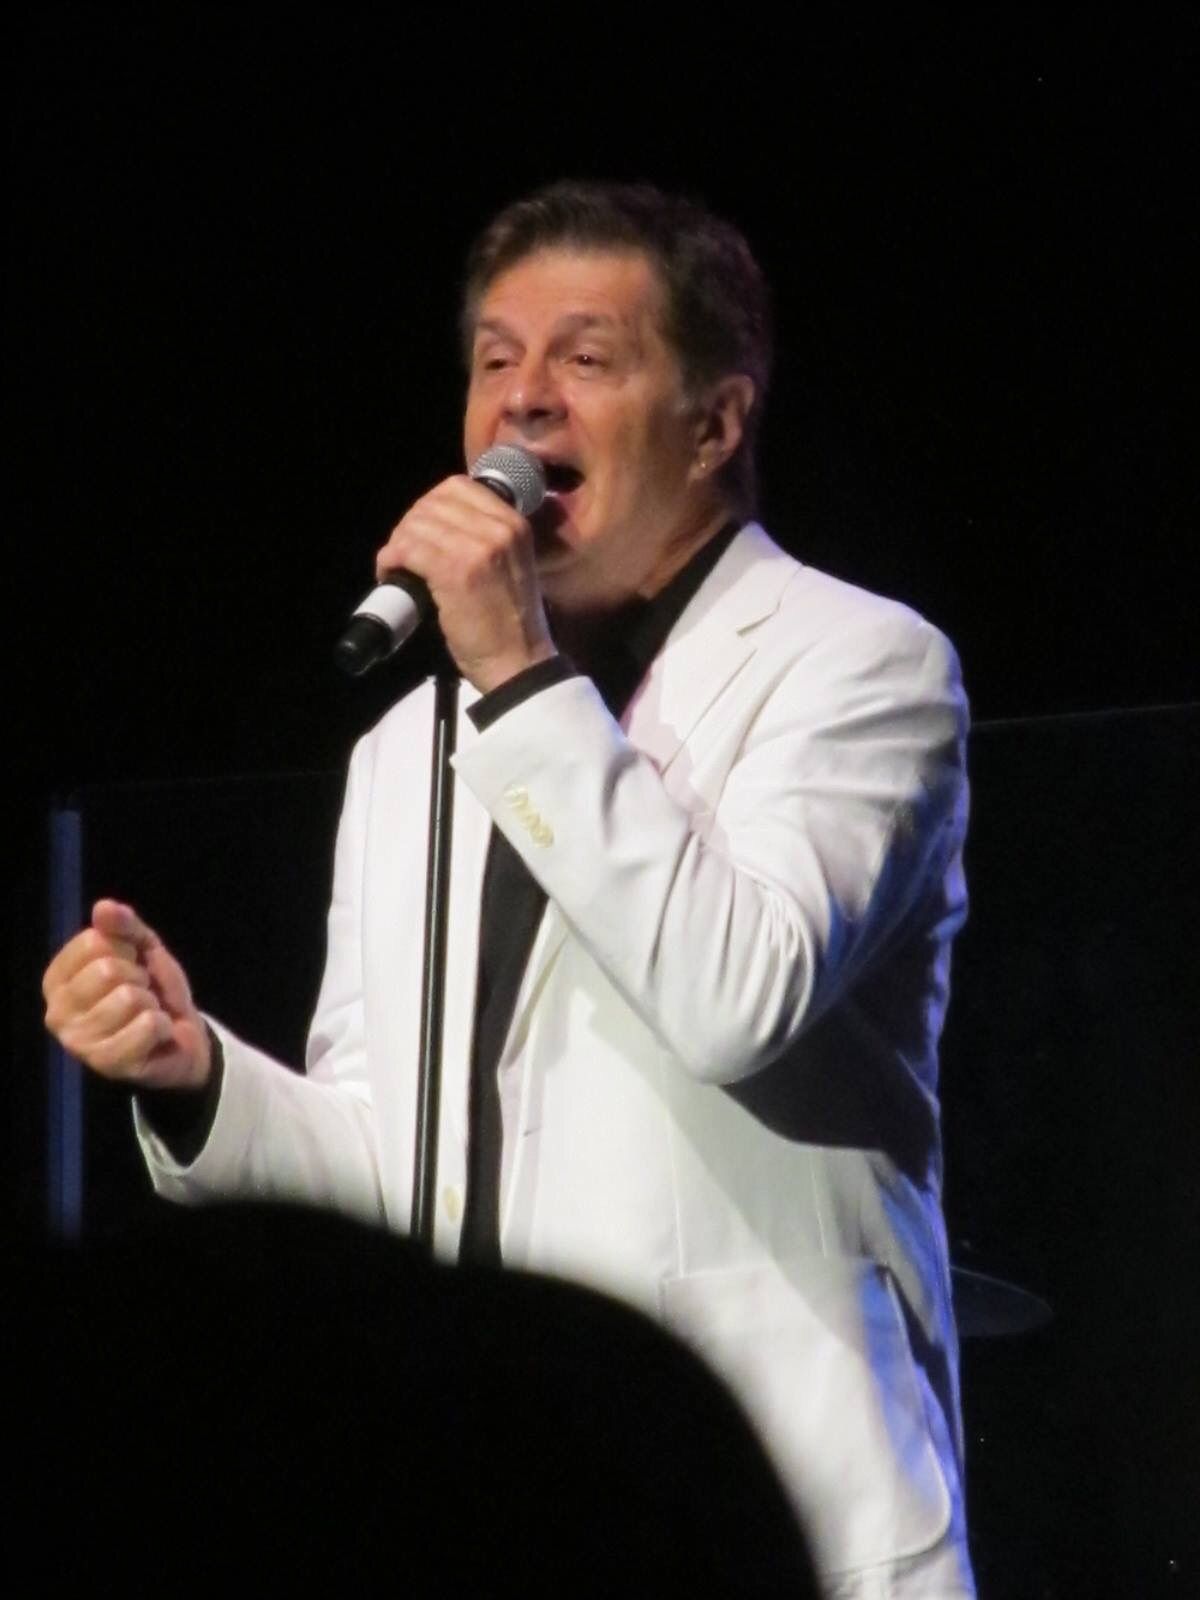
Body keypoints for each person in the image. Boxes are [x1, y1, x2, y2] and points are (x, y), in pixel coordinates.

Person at [43, 181, 975, 1596]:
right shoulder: (409, 750)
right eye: (495, 360)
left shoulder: (859, 663)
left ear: (716, 424)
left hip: (774, 1519)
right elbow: (391, 1167)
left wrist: (514, 673)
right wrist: (197, 1078)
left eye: (587, 357)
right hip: (512, 1502)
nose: (524, 401)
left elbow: (735, 995)